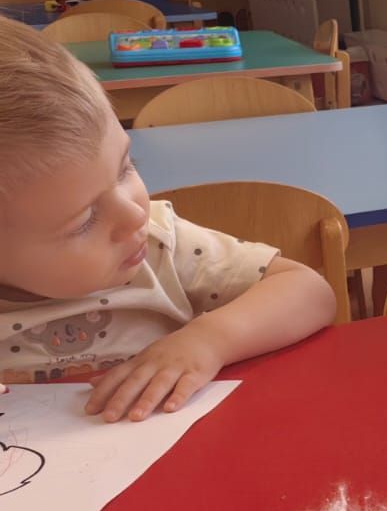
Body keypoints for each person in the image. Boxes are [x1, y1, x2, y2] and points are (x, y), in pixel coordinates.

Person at [0, 22, 336, 419]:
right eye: (85, 220)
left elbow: (309, 291)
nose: (134, 215)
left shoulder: (160, 246)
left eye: (126, 168)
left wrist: (209, 340)